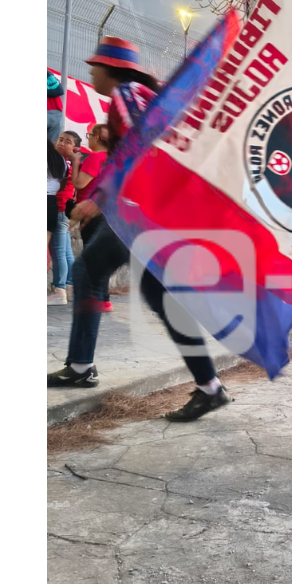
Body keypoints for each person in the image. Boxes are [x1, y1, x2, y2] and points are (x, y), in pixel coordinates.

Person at [48, 37, 231, 423]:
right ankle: (209, 387)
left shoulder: (126, 95)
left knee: (89, 271)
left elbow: (142, 148)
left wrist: (99, 198)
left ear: (111, 69)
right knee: (155, 294)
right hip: (154, 210)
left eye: (95, 65)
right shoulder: (140, 94)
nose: (91, 71)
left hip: (144, 212)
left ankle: (82, 367)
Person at [69, 124, 114, 312]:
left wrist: (75, 161)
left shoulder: (96, 158)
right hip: (104, 211)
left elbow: (79, 183)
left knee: (92, 256)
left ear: (97, 138)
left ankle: (100, 298)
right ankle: (103, 299)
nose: (88, 139)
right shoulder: (110, 158)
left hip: (92, 212)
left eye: (90, 135)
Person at [49, 131, 80, 305]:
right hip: (65, 210)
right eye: (60, 139)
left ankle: (59, 291)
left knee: (58, 251)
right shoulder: (70, 161)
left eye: (67, 142)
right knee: (67, 251)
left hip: (60, 209)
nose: (62, 143)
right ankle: (69, 285)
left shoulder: (62, 162)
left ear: (74, 147)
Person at [47, 71, 65, 143]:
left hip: (54, 113)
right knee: (51, 147)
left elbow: (59, 90)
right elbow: (60, 90)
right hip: (57, 114)